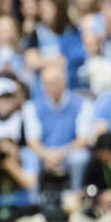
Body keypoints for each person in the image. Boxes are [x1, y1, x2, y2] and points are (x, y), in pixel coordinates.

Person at [25, 61, 92, 189]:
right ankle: (34, 201)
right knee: (29, 157)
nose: (50, 87)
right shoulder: (32, 107)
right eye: (47, 83)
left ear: (64, 83)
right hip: (45, 153)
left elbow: (82, 139)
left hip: (69, 152)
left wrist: (60, 154)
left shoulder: (82, 105)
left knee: (80, 158)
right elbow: (33, 141)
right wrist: (47, 155)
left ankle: (75, 196)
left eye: (54, 82)